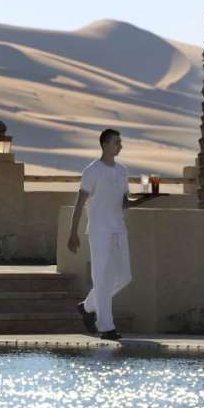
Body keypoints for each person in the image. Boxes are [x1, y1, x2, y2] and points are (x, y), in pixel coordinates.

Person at [67, 128, 138, 341]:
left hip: (119, 229)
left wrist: (147, 198)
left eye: (120, 142)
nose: (120, 146)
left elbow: (125, 201)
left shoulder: (122, 170)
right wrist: (73, 232)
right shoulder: (92, 170)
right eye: (117, 142)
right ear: (105, 145)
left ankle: (87, 306)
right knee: (102, 278)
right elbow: (80, 203)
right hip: (99, 231)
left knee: (124, 277)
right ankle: (106, 327)